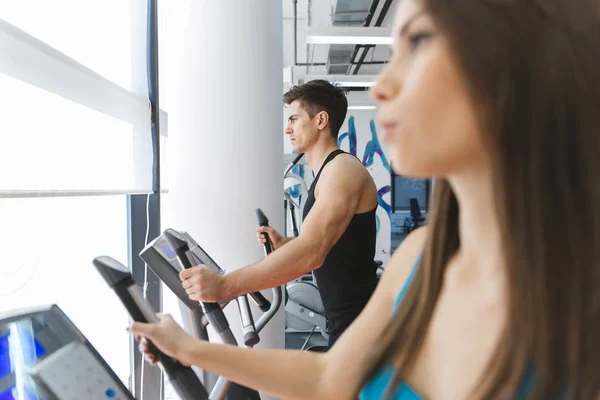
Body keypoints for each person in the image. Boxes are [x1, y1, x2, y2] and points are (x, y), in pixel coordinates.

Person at [129, 0, 600, 398]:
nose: (381, 85)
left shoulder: (576, 297)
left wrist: (225, 285)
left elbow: (314, 250)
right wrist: (189, 350)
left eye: (417, 43)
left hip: (347, 311)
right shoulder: (421, 258)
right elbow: (331, 376)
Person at [176, 79, 380, 346]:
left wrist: (224, 286)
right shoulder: (328, 173)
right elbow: (331, 241)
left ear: (321, 120)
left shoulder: (342, 171)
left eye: (294, 119)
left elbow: (312, 252)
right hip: (348, 321)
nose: (288, 129)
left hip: (361, 327)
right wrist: (287, 245)